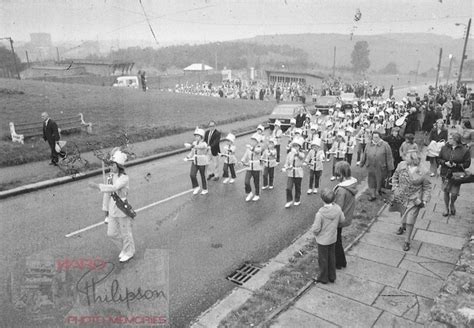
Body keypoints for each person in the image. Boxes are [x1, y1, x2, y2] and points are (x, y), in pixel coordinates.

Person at [88, 149, 135, 263]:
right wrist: (106, 212)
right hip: (113, 210)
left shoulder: (124, 178)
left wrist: (97, 186)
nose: (111, 167)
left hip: (122, 209)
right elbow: (107, 195)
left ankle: (129, 252)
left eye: (113, 165)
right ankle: (125, 248)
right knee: (111, 233)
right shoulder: (110, 176)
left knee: (126, 233)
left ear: (119, 166)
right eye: (110, 165)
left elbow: (114, 188)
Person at [392, 150, 431, 251]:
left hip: (414, 199)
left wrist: (424, 200)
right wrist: (395, 187)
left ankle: (407, 241)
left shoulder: (424, 171)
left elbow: (427, 187)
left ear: (414, 159)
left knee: (410, 220)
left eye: (407, 157)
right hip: (401, 196)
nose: (405, 158)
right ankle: (402, 225)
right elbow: (395, 177)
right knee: (402, 213)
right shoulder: (401, 165)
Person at [311, 188, 345, 284]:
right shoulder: (338, 209)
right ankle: (332, 276)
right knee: (331, 257)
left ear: (322, 200)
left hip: (322, 240)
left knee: (323, 259)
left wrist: (315, 233)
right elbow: (342, 219)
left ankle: (323, 277)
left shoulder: (320, 214)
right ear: (334, 199)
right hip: (332, 238)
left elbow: (316, 229)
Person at [438, 133, 471, 216]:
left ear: (456, 140)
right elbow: (438, 159)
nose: (448, 139)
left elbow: (467, 164)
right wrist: (444, 162)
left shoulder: (465, 150)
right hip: (445, 173)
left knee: (454, 193)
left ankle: (452, 204)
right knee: (446, 191)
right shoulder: (444, 147)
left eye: (450, 138)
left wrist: (456, 165)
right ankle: (446, 208)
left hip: (457, 174)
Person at [333, 161, 357, 269]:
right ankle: (342, 261)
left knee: (335, 241)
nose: (336, 177)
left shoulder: (341, 190)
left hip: (338, 219)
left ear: (341, 175)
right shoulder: (351, 185)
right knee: (338, 239)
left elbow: (337, 207)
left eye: (337, 175)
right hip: (345, 216)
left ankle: (338, 262)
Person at [360, 131, 394, 201]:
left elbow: (389, 157)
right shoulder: (368, 144)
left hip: (381, 168)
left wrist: (390, 168)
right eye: (374, 137)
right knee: (371, 181)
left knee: (380, 180)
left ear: (380, 137)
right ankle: (373, 195)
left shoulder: (385, 145)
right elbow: (364, 154)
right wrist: (362, 163)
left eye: (377, 137)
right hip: (371, 167)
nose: (375, 139)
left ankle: (379, 190)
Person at [185, 128, 209, 195]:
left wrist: (191, 146)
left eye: (198, 136)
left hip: (202, 162)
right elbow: (192, 152)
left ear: (201, 137)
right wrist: (187, 157)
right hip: (195, 161)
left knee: (203, 175)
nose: (196, 137)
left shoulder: (204, 143)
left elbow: (200, 147)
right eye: (195, 136)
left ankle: (205, 189)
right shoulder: (194, 143)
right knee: (192, 174)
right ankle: (196, 187)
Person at [283, 139, 305, 208]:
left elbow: (302, 157)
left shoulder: (301, 153)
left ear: (299, 147)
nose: (295, 147)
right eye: (294, 146)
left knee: (297, 187)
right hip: (291, 172)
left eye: (296, 146)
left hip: (298, 172)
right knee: (288, 187)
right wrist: (285, 167)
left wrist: (297, 153)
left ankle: (297, 199)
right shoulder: (290, 154)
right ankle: (289, 200)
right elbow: (287, 162)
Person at [241, 133, 263, 202]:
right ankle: (249, 193)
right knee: (246, 181)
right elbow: (245, 155)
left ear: (257, 142)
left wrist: (251, 148)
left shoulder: (259, 147)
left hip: (257, 167)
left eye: (254, 140)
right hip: (249, 166)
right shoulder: (249, 149)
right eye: (252, 140)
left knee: (256, 182)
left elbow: (257, 151)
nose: (253, 141)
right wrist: (242, 161)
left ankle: (257, 194)